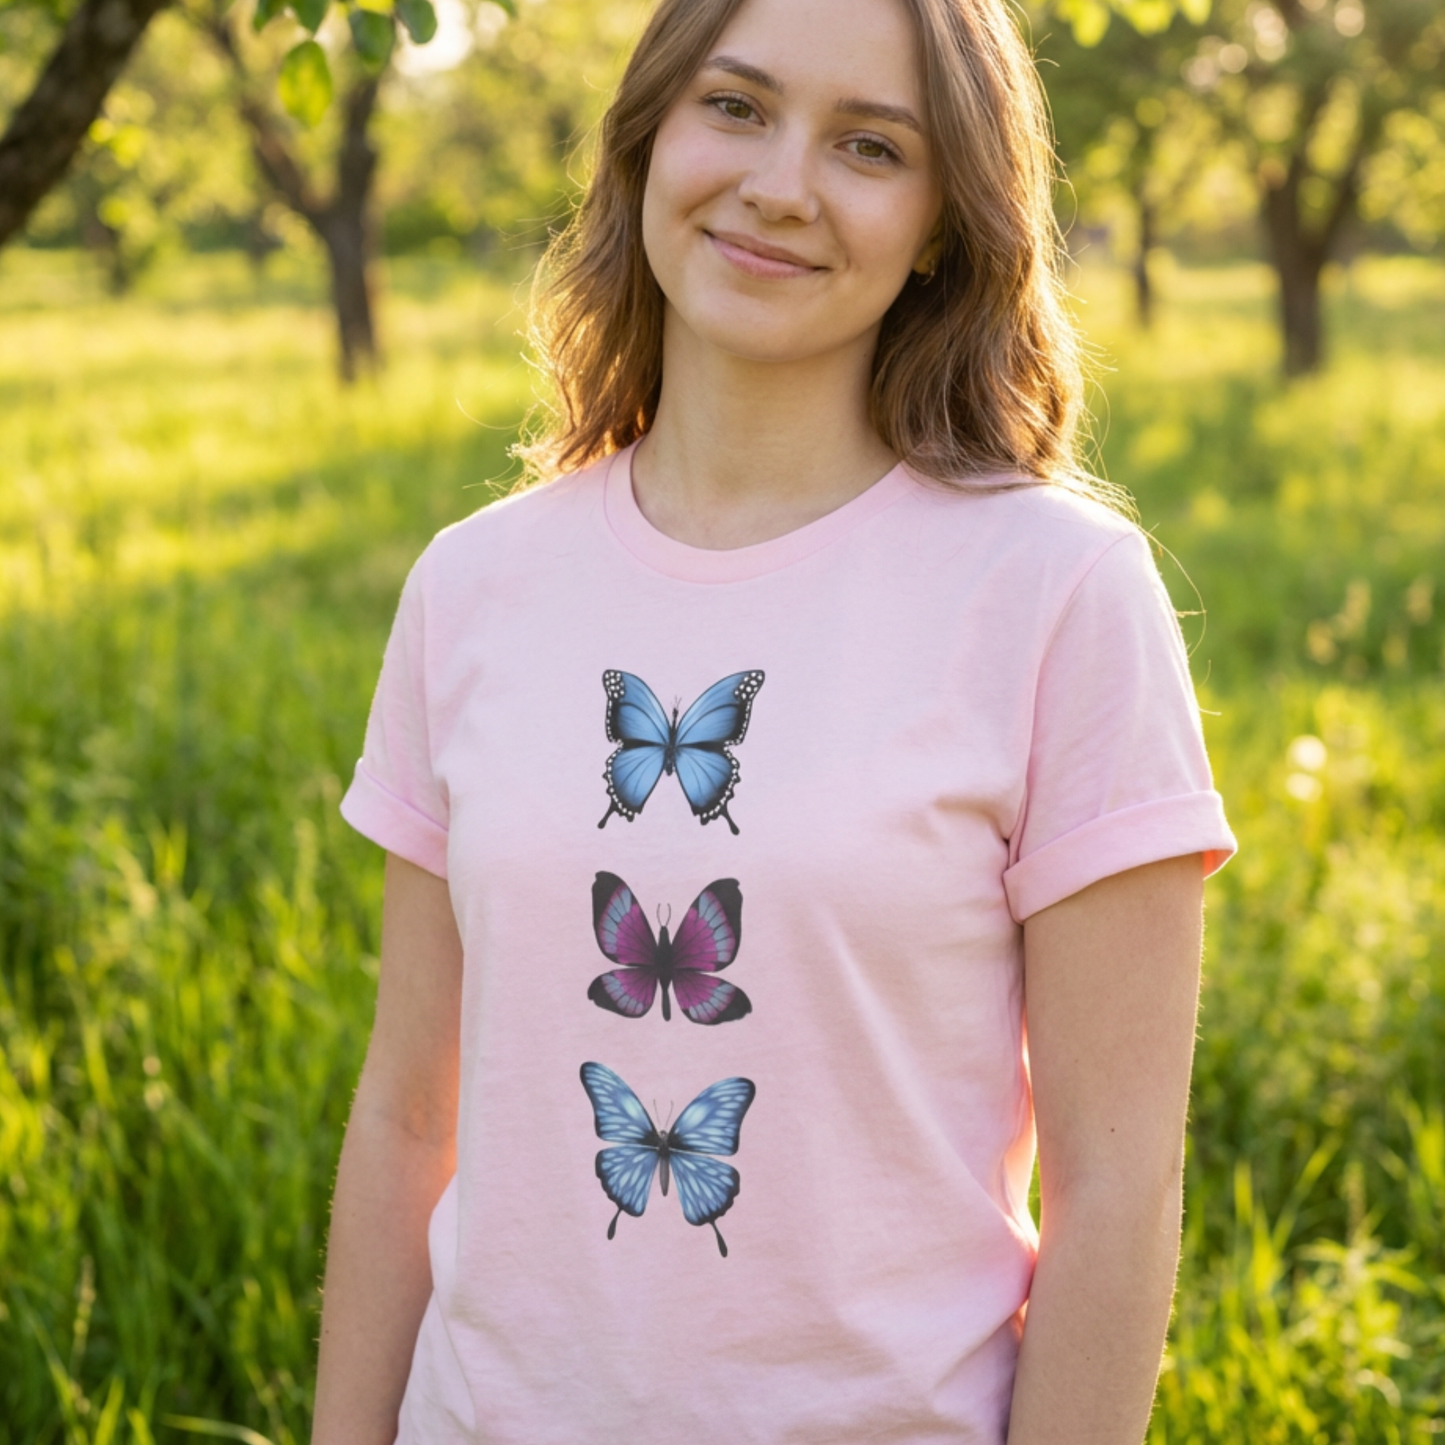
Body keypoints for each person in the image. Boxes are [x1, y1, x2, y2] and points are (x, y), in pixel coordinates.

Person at [313, 0, 1236, 1439]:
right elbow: (406, 1121)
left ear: (943, 219)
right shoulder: (472, 583)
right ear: (648, 139)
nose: (782, 184)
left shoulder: (1058, 594)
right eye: (735, 107)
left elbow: (1119, 1189)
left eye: (871, 146)